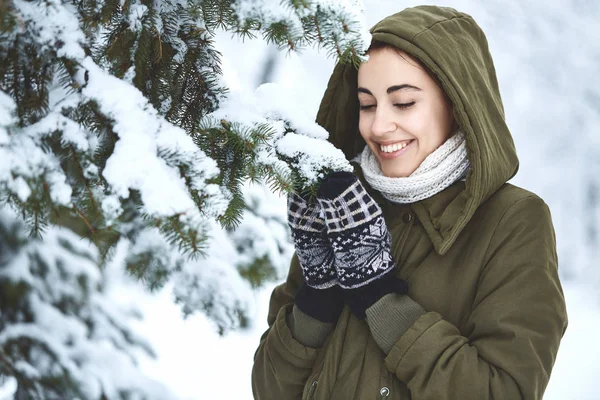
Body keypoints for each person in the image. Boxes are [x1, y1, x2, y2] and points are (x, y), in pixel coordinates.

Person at [251, 5, 568, 400]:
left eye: (402, 103)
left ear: (458, 103)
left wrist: (381, 299)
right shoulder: (342, 204)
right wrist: (319, 294)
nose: (379, 126)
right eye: (367, 104)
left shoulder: (513, 221)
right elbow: (268, 389)